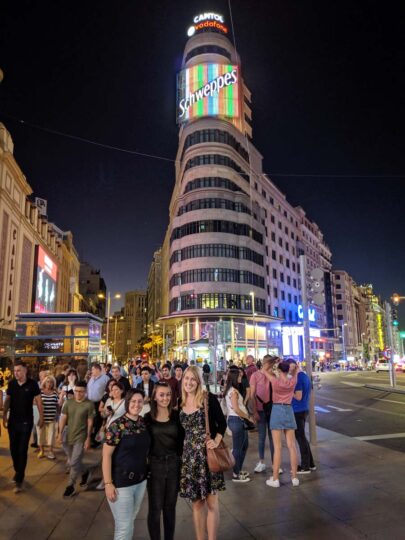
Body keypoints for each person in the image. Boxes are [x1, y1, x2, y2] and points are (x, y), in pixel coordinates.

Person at [179, 366, 226, 540]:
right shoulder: (179, 402)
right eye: (186, 378)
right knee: (197, 504)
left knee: (212, 503)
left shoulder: (208, 399)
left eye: (193, 379)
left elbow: (221, 423)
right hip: (190, 460)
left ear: (198, 381)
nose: (189, 382)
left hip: (208, 457)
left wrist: (217, 440)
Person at [102, 389, 150, 540]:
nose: (137, 404)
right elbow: (106, 456)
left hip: (140, 482)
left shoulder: (142, 422)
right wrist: (108, 483)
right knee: (124, 527)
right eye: (133, 401)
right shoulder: (117, 425)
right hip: (121, 483)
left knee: (129, 521)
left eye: (140, 401)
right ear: (127, 402)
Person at [144, 382, 184, 540]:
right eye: (161, 394)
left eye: (168, 394)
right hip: (154, 466)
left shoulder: (177, 416)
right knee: (155, 509)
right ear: (154, 396)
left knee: (170, 508)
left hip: (174, 465)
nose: (165, 398)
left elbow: (183, 440)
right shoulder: (147, 418)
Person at [3, 361, 44, 493]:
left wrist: (42, 417)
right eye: (15, 371)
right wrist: (4, 416)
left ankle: (19, 479)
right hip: (13, 421)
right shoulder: (12, 384)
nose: (16, 373)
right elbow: (7, 400)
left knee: (22, 449)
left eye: (19, 370)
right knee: (13, 449)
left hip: (26, 421)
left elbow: (38, 401)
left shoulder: (32, 384)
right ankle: (18, 471)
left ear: (25, 370)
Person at [262, 359, 299, 488]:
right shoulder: (293, 381)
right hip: (289, 410)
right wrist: (293, 369)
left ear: (278, 370)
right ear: (287, 369)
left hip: (277, 410)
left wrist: (273, 361)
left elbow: (264, 370)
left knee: (277, 447)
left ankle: (276, 479)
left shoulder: (275, 381)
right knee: (292, 446)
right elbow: (297, 370)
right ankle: (294, 477)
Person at [58, 380, 95, 497]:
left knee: (73, 462)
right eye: (76, 391)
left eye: (81, 391)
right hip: (67, 435)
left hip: (81, 436)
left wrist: (88, 437)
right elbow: (63, 418)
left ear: (85, 392)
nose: (78, 394)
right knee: (75, 461)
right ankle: (84, 472)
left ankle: (71, 485)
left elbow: (90, 422)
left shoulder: (89, 404)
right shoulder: (68, 402)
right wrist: (59, 433)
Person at [224, 368, 255, 483]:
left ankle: (238, 470)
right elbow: (236, 409)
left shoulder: (232, 390)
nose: (240, 378)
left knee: (244, 445)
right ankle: (236, 474)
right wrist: (248, 417)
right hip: (237, 420)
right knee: (238, 448)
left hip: (237, 420)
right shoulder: (233, 392)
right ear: (234, 378)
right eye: (239, 376)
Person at [250, 355, 276, 474]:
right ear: (265, 363)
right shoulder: (255, 375)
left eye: (272, 365)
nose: (271, 366)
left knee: (273, 438)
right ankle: (261, 462)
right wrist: (254, 411)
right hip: (260, 410)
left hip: (272, 409)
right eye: (269, 364)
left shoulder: (273, 376)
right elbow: (252, 395)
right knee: (262, 437)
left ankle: (275, 463)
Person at [291, 361, 317, 474]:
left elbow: (298, 396)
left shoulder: (298, 379)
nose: (288, 370)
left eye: (289, 368)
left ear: (294, 367)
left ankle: (305, 466)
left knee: (300, 438)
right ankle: (310, 464)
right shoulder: (304, 376)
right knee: (303, 438)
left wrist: (288, 391)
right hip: (303, 409)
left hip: (297, 410)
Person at [87, 363, 110, 447]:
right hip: (90, 403)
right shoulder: (91, 378)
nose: (91, 371)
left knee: (98, 422)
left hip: (99, 403)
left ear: (97, 369)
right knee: (90, 421)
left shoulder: (105, 378)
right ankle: (90, 437)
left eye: (92, 369)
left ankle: (96, 441)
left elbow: (108, 390)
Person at [37, 375, 58, 459]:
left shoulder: (55, 392)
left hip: (51, 417)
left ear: (53, 384)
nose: (49, 384)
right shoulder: (40, 392)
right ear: (44, 383)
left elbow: (57, 405)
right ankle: (41, 451)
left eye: (51, 382)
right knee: (40, 434)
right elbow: (35, 403)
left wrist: (57, 415)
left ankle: (50, 451)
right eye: (48, 382)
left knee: (51, 435)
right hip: (41, 418)